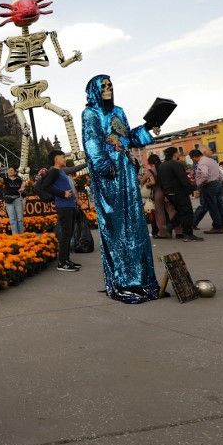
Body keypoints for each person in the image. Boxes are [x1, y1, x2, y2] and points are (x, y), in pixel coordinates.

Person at [80, 74, 160, 303]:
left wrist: (147, 127)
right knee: (117, 225)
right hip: (110, 175)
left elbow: (128, 138)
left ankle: (142, 278)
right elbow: (92, 142)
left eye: (110, 85)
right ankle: (123, 280)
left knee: (135, 224)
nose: (107, 88)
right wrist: (106, 167)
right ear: (94, 90)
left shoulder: (119, 111)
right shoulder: (91, 113)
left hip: (125, 170)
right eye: (103, 86)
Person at [36, 150, 84, 272]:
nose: (64, 159)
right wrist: (62, 194)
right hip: (63, 206)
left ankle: (66, 260)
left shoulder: (61, 171)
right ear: (56, 159)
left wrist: (74, 199)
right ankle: (62, 263)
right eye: (62, 157)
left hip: (69, 205)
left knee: (69, 233)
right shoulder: (54, 171)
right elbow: (45, 186)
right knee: (66, 234)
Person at [157, 147, 202, 242]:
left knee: (181, 211)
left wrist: (165, 193)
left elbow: (160, 181)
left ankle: (170, 226)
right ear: (174, 154)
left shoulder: (161, 166)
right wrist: (192, 190)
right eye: (177, 152)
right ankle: (188, 234)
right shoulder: (176, 164)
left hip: (169, 193)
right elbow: (183, 179)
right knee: (187, 212)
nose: (179, 154)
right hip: (179, 192)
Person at [190, 149, 223, 234]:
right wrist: (218, 181)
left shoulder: (202, 163)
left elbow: (204, 174)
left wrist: (201, 183)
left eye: (192, 158)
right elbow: (220, 174)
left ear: (194, 157)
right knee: (220, 205)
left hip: (209, 185)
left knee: (212, 206)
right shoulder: (212, 160)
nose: (193, 160)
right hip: (217, 184)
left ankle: (217, 226)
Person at [3, 167, 25, 234]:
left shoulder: (19, 180)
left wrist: (22, 187)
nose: (9, 171)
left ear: (15, 172)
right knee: (12, 219)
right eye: (9, 170)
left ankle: (21, 234)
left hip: (18, 199)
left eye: (11, 170)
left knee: (20, 219)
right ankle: (15, 236)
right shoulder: (5, 180)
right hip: (9, 200)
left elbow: (24, 183)